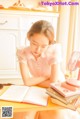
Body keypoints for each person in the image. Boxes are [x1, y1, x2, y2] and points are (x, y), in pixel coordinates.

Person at [16, 20, 80, 119]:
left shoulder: (54, 51)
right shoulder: (23, 52)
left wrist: (32, 82)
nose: (38, 50)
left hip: (57, 89)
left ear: (49, 44)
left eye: (43, 46)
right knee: (20, 113)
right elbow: (26, 82)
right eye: (34, 44)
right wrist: (45, 77)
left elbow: (53, 83)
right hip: (38, 86)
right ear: (29, 37)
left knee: (55, 115)